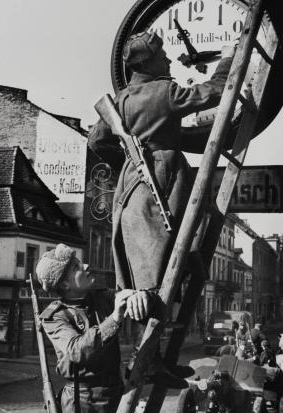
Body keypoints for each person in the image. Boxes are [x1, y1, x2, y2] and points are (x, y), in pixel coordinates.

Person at [88, 31, 235, 358]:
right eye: (162, 55)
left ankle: (153, 358)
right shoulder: (163, 92)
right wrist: (226, 59)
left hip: (131, 190)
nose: (168, 59)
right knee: (170, 262)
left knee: (147, 276)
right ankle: (151, 360)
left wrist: (130, 159)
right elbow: (212, 92)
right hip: (165, 182)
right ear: (148, 61)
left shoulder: (121, 99)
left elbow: (96, 140)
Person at [36, 243, 152, 413]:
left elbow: (124, 296)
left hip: (117, 395)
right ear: (64, 284)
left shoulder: (102, 297)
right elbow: (78, 350)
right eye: (76, 267)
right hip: (83, 407)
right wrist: (114, 318)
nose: (86, 266)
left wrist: (139, 295)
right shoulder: (55, 316)